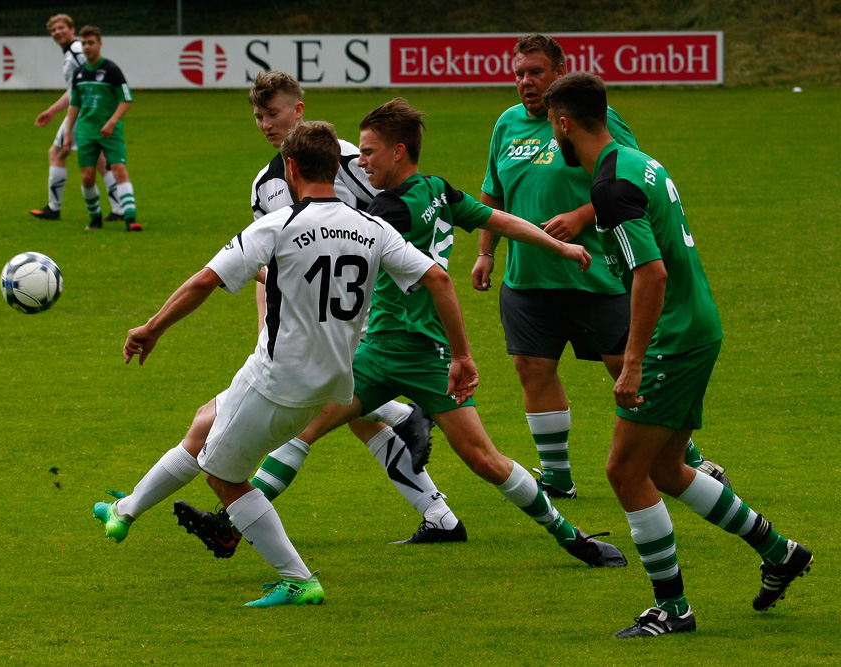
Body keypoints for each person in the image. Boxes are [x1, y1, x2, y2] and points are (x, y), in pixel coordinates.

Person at [178, 98, 628, 570]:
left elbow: (424, 278)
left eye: (369, 152)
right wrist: (556, 243)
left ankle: (569, 534)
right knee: (312, 431)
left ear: (397, 152)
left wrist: (462, 355)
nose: (360, 161)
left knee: (480, 457)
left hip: (404, 350)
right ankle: (231, 526)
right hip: (390, 352)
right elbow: (500, 221)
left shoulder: (385, 213)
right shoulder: (438, 190)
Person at [92, 121, 478, 606]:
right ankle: (124, 511)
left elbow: (203, 282)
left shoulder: (278, 225)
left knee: (223, 476)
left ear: (290, 168)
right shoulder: (373, 227)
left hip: (277, 378)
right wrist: (461, 355)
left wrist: (152, 328)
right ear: (338, 167)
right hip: (336, 378)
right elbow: (439, 280)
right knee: (205, 421)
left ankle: (297, 579)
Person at [543, 72, 812, 637]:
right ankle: (779, 551)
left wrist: (634, 360)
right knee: (665, 467)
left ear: (564, 123)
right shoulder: (639, 161)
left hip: (673, 337)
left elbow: (652, 273)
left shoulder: (610, 187)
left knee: (623, 469)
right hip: (697, 325)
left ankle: (673, 607)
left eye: (552, 125)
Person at [205, 70, 465, 547]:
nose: (266, 123)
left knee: (324, 413)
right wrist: (267, 327)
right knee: (353, 417)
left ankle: (232, 521)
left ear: (299, 110)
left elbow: (392, 215)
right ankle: (437, 512)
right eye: (259, 116)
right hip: (311, 319)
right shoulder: (265, 186)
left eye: (274, 113)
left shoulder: (349, 160)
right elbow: (269, 263)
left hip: (365, 308)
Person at [472, 34, 727, 500]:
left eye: (536, 72)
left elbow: (626, 181)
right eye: (519, 74)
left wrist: (580, 215)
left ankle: (686, 458)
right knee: (532, 367)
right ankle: (557, 476)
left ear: (560, 71)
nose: (526, 83)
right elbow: (493, 192)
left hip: (598, 274)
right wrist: (487, 251)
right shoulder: (506, 125)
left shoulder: (597, 121)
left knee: (626, 367)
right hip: (528, 276)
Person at [29, 14, 123, 222]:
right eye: (53, 30)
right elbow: (76, 89)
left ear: (72, 29)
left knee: (56, 153)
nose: (57, 32)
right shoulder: (72, 52)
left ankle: (54, 208)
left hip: (84, 113)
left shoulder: (77, 51)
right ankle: (119, 209)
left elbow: (88, 83)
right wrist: (52, 111)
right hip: (89, 111)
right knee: (100, 160)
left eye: (61, 28)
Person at [62, 26, 140, 231]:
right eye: (84, 43)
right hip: (86, 131)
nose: (87, 47)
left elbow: (126, 99)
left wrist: (112, 122)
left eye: (91, 43)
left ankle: (130, 219)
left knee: (119, 170)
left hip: (110, 130)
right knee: (87, 177)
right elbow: (74, 104)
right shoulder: (79, 73)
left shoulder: (111, 70)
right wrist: (67, 133)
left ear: (100, 43)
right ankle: (95, 218)